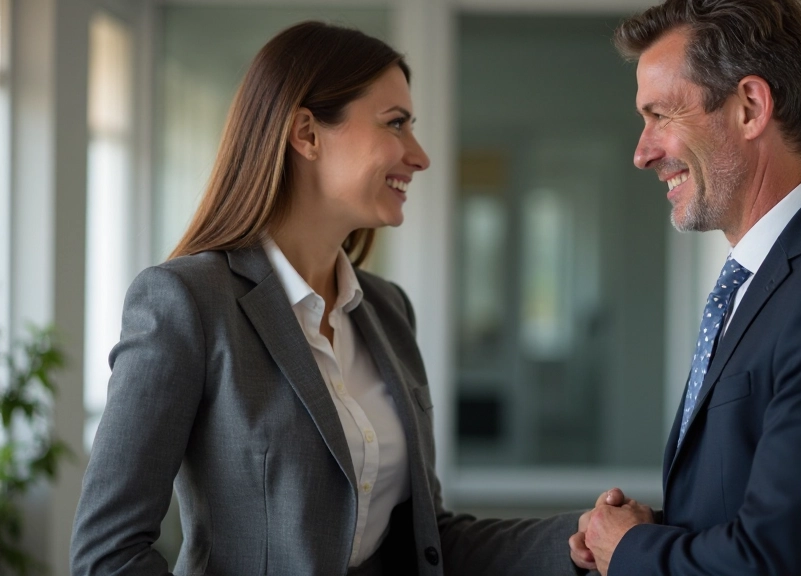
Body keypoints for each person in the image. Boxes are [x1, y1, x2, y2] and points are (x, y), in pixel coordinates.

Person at [71, 21, 581, 576]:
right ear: (307, 133)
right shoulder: (187, 303)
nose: (419, 156)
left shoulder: (388, 311)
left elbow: (427, 542)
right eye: (396, 124)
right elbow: (108, 555)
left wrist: (582, 540)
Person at [568, 1, 801, 574]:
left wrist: (630, 551)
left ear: (750, 107)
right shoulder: (780, 279)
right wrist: (650, 533)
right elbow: (768, 515)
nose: (642, 152)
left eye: (661, 115)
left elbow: (773, 562)